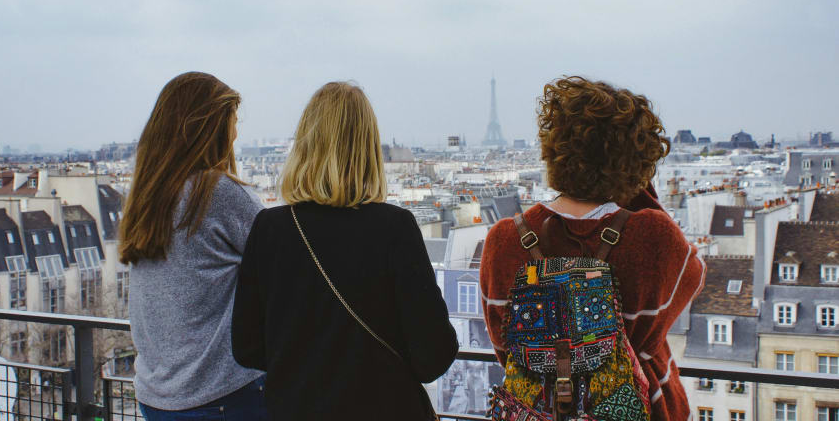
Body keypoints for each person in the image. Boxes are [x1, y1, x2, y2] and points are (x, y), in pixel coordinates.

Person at [480, 76, 706, 421]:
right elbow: (693, 278)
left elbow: (504, 348)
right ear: (637, 163)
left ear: (553, 149)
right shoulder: (653, 236)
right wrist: (640, 194)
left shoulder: (504, 240)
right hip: (642, 407)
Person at [232, 81, 459, 420]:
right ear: (368, 148)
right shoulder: (395, 228)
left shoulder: (270, 228)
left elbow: (247, 347)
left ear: (305, 145)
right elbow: (433, 357)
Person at [120, 72, 266, 421]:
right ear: (209, 129)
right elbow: (284, 264)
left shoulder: (148, 196)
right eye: (231, 123)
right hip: (220, 395)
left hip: (158, 396)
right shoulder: (218, 194)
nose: (235, 134)